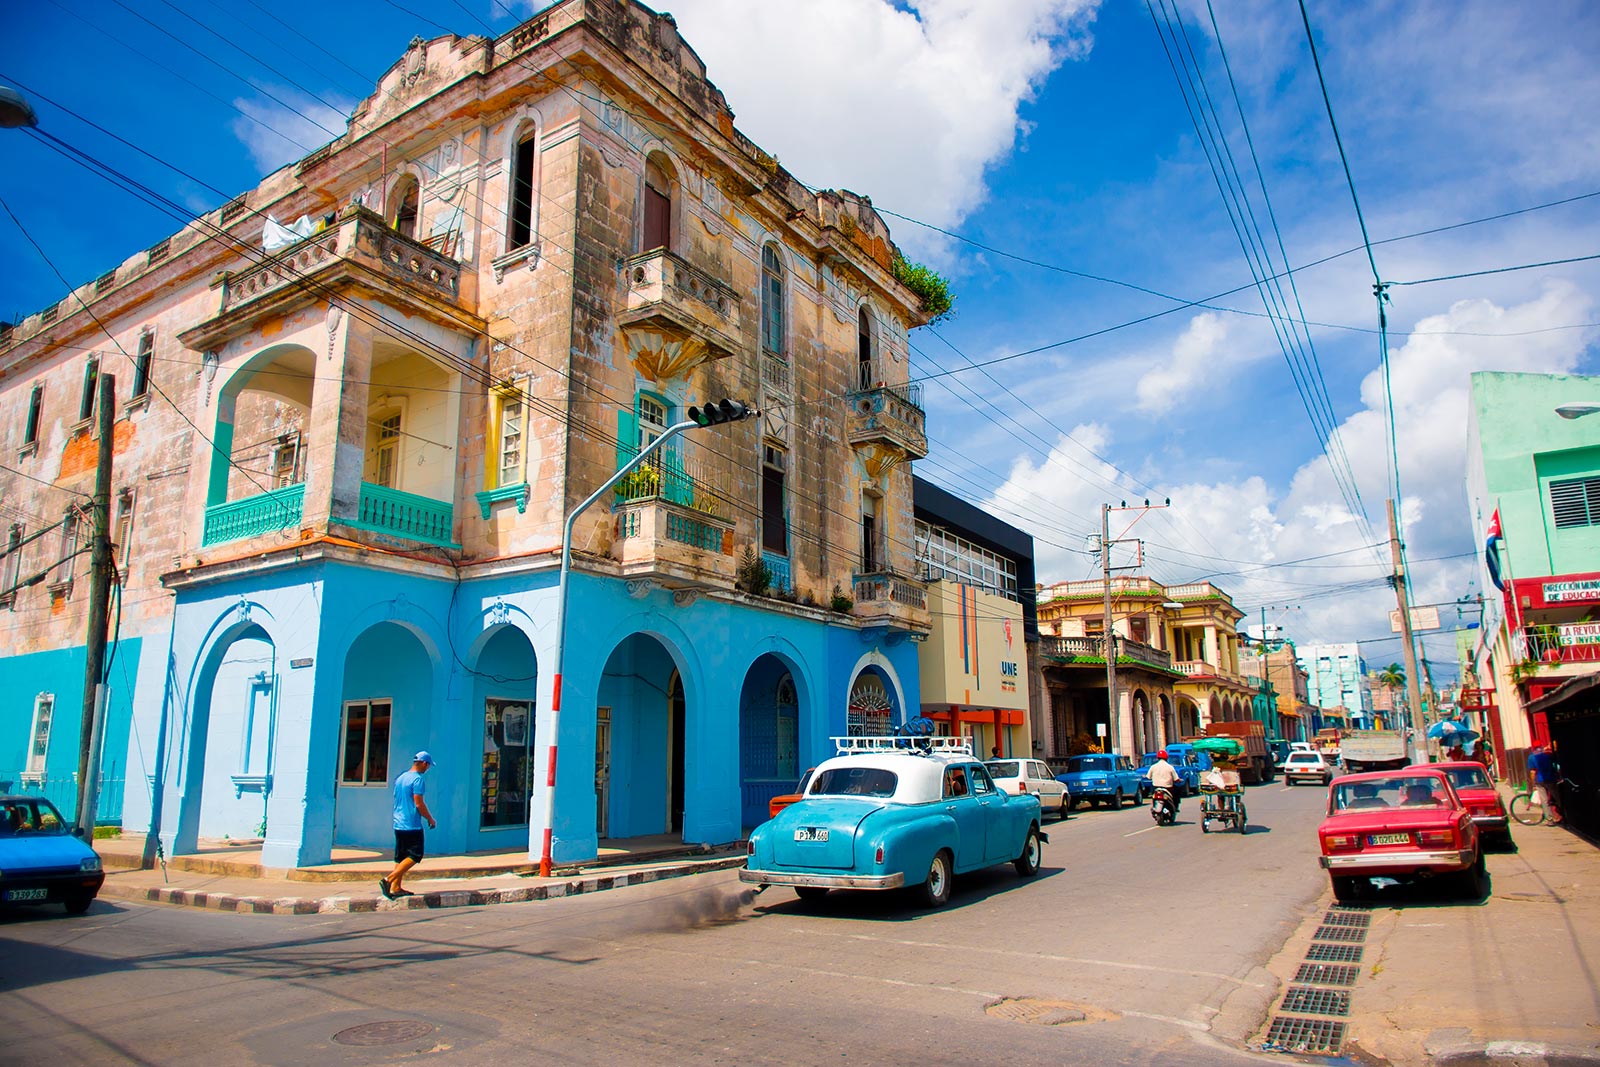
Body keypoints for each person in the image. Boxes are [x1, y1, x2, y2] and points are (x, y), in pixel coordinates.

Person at [382, 751, 437, 899]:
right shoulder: (417, 780)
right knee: (415, 854)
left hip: (398, 822)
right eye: (428, 766)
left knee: (401, 857)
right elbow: (418, 803)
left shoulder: (401, 778)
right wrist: (430, 818)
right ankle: (389, 879)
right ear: (424, 763)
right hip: (411, 823)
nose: (427, 769)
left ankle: (395, 887)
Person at [1529, 744, 1563, 824]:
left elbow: (1532, 772)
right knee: (1557, 797)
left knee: (1544, 800)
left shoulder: (1531, 757)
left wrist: (1533, 783)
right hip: (1551, 778)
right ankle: (1563, 815)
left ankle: (1549, 820)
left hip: (1540, 781)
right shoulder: (1548, 755)